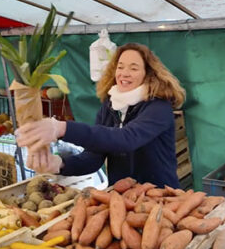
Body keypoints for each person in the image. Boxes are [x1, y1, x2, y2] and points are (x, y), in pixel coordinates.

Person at [18, 43, 186, 188]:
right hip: (121, 198)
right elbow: (92, 159)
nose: (124, 73)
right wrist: (58, 164)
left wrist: (61, 128)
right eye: (120, 67)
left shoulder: (158, 107)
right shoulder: (110, 105)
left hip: (160, 196)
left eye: (133, 68)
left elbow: (126, 139)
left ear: (148, 74)